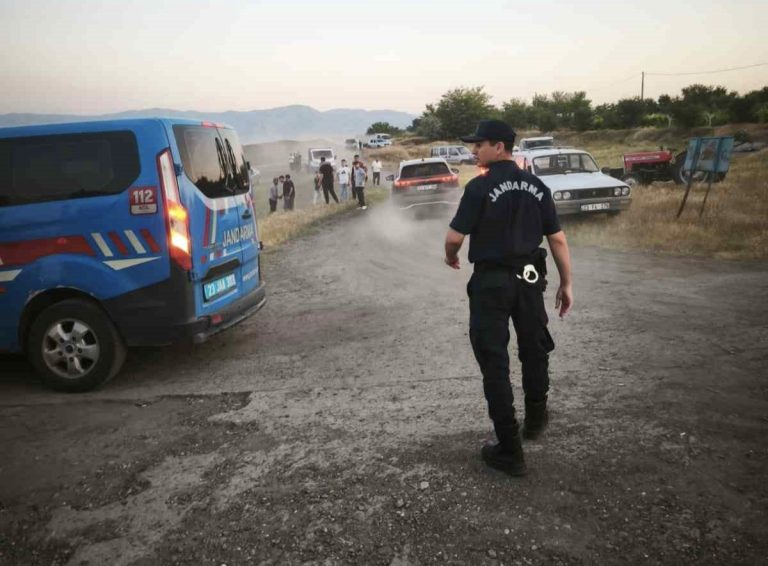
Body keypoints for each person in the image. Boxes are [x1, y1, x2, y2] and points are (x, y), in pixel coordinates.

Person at [443, 119, 573, 477]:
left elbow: (455, 237)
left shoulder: (479, 187)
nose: (474, 151)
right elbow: (557, 239)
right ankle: (534, 421)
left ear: (498, 147)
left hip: (492, 283)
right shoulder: (537, 185)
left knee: (494, 359)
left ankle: (510, 450)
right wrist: (567, 283)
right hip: (530, 278)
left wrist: (451, 255)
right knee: (534, 348)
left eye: (479, 144)